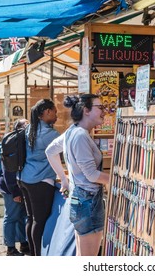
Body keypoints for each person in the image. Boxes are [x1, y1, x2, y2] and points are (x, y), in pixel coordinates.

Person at [45, 94, 109, 256]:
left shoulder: (72, 132)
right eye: (100, 107)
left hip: (81, 200)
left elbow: (50, 151)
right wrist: (118, 181)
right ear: (86, 110)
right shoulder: (80, 135)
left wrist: (65, 180)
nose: (104, 111)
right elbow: (92, 175)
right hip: (88, 202)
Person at [18, 99, 60, 256]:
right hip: (40, 180)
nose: (57, 115)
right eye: (55, 111)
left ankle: (33, 254)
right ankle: (38, 257)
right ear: (47, 112)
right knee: (39, 220)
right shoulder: (51, 134)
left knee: (31, 218)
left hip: (25, 178)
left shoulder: (30, 129)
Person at [0, 119, 30, 256]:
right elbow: (8, 171)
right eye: (26, 125)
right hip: (10, 188)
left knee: (21, 216)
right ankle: (10, 248)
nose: (29, 127)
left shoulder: (21, 143)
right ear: (20, 129)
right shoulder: (13, 143)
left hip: (17, 186)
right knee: (11, 217)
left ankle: (23, 244)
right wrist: (15, 191)